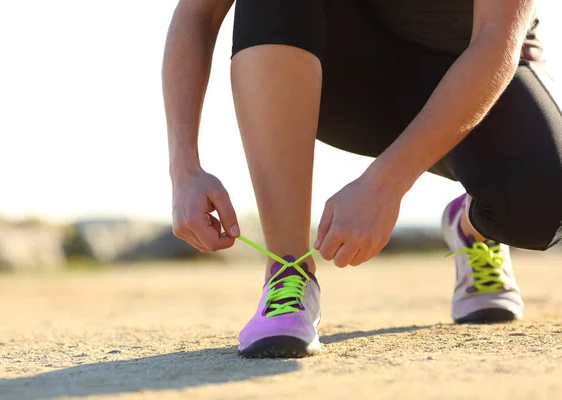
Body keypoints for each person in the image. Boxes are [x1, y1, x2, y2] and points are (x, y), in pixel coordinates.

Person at [162, 0, 562, 358]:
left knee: (545, 201)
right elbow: (199, 11)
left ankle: (472, 225)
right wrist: (184, 168)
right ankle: (288, 273)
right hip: (351, 78)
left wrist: (386, 183)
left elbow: (495, 43)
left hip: (479, 75)